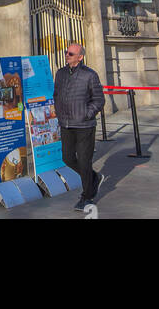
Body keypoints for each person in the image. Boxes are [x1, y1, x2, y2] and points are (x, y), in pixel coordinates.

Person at [53, 42, 105, 210]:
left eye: (70, 53)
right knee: (67, 158)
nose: (66, 55)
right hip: (66, 124)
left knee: (84, 161)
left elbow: (99, 100)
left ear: (80, 57)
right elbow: (56, 94)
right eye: (66, 52)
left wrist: (86, 114)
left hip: (84, 125)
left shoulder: (90, 75)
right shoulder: (60, 73)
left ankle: (87, 196)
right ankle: (93, 178)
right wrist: (58, 112)